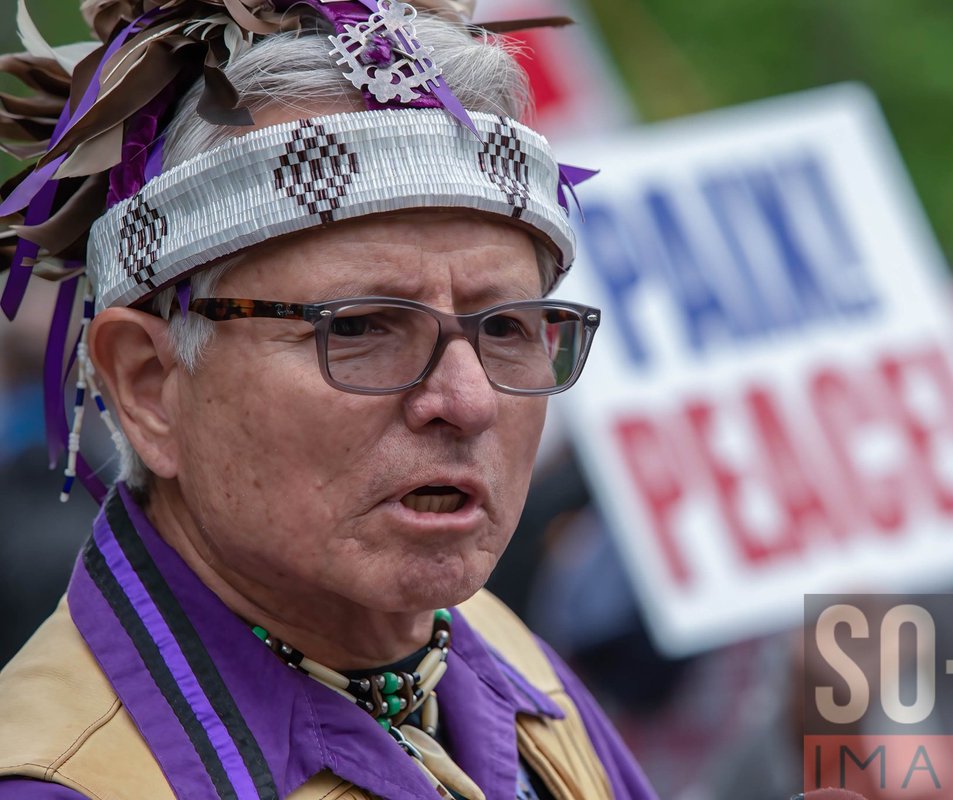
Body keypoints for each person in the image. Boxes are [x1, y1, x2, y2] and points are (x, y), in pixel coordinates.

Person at [0, 1, 656, 798]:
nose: (467, 400)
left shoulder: (503, 657)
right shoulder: (70, 781)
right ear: (149, 385)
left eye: (508, 327)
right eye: (362, 328)